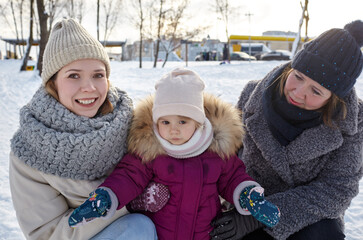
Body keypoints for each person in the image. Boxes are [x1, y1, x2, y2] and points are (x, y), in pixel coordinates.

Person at [68, 68, 281, 240]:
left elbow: (234, 177)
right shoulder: (149, 151)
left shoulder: (216, 151)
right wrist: (106, 196)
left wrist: (248, 195)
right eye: (165, 122)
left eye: (182, 121)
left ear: (198, 122)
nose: (173, 129)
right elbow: (128, 177)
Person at [210, 20, 363, 240]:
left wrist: (259, 217)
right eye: (298, 77)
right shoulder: (252, 95)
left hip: (306, 219)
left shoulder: (354, 122)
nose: (298, 93)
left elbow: (337, 189)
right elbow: (227, 156)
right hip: (245, 208)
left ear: (334, 97)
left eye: (316, 91)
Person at [9, 18, 157, 240]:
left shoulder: (133, 125)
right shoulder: (31, 149)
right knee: (138, 227)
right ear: (53, 83)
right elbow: (47, 234)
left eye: (98, 75)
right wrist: (125, 204)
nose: (89, 88)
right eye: (73, 76)